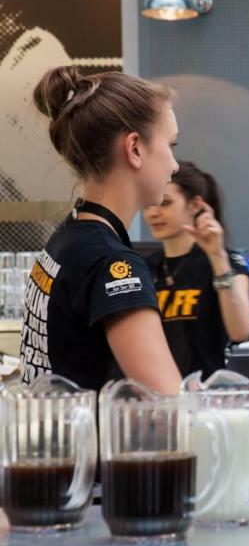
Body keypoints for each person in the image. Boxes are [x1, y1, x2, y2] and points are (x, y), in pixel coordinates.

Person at [18, 66, 182, 394]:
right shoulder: (112, 265)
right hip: (84, 445)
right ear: (135, 148)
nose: (175, 165)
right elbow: (174, 409)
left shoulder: (68, 239)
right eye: (171, 145)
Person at [142, 161, 249, 378]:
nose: (153, 213)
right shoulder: (144, 268)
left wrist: (217, 256)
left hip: (205, 397)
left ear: (195, 205)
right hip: (157, 397)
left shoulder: (227, 261)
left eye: (165, 203)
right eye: (148, 204)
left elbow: (240, 330)